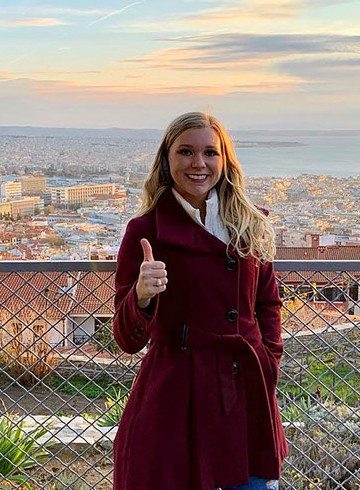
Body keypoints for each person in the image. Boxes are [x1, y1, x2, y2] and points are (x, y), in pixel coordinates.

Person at [112, 112, 287, 490]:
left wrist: (268, 358)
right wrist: (141, 296)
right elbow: (126, 339)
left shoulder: (251, 223)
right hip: (178, 393)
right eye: (186, 151)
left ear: (224, 160)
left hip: (245, 389)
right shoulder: (145, 231)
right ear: (167, 158)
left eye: (210, 152)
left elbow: (268, 304)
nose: (199, 163)